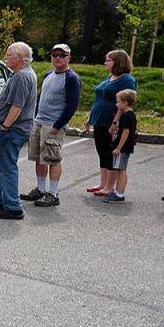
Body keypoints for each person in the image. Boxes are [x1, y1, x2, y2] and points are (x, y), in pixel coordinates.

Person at [21, 43, 81, 207]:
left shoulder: (71, 78)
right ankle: (40, 189)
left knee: (52, 159)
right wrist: (34, 118)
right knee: (39, 158)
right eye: (55, 55)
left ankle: (53, 193)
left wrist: (58, 125)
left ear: (69, 57)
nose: (58, 58)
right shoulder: (49, 74)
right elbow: (41, 98)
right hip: (39, 121)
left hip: (53, 124)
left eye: (62, 55)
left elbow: (72, 105)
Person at [0, 42, 38, 220]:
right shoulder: (21, 74)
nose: (5, 57)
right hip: (13, 129)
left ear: (21, 59)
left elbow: (17, 106)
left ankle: (13, 206)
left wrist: (5, 126)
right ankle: (3, 199)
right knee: (3, 165)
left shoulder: (21, 77)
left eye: (9, 54)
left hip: (13, 129)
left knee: (7, 167)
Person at [84, 49, 137, 197]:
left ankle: (109, 187)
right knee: (102, 152)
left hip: (110, 122)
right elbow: (99, 99)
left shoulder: (126, 80)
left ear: (118, 62)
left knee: (109, 154)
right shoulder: (109, 77)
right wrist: (90, 117)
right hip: (99, 120)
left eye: (108, 60)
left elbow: (126, 103)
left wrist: (115, 122)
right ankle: (103, 183)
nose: (105, 63)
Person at [103, 89, 138, 203]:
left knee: (120, 170)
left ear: (126, 103)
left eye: (119, 102)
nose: (117, 104)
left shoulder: (126, 116)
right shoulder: (130, 114)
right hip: (125, 147)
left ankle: (119, 194)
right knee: (120, 169)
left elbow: (126, 132)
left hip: (122, 148)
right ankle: (119, 191)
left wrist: (118, 148)